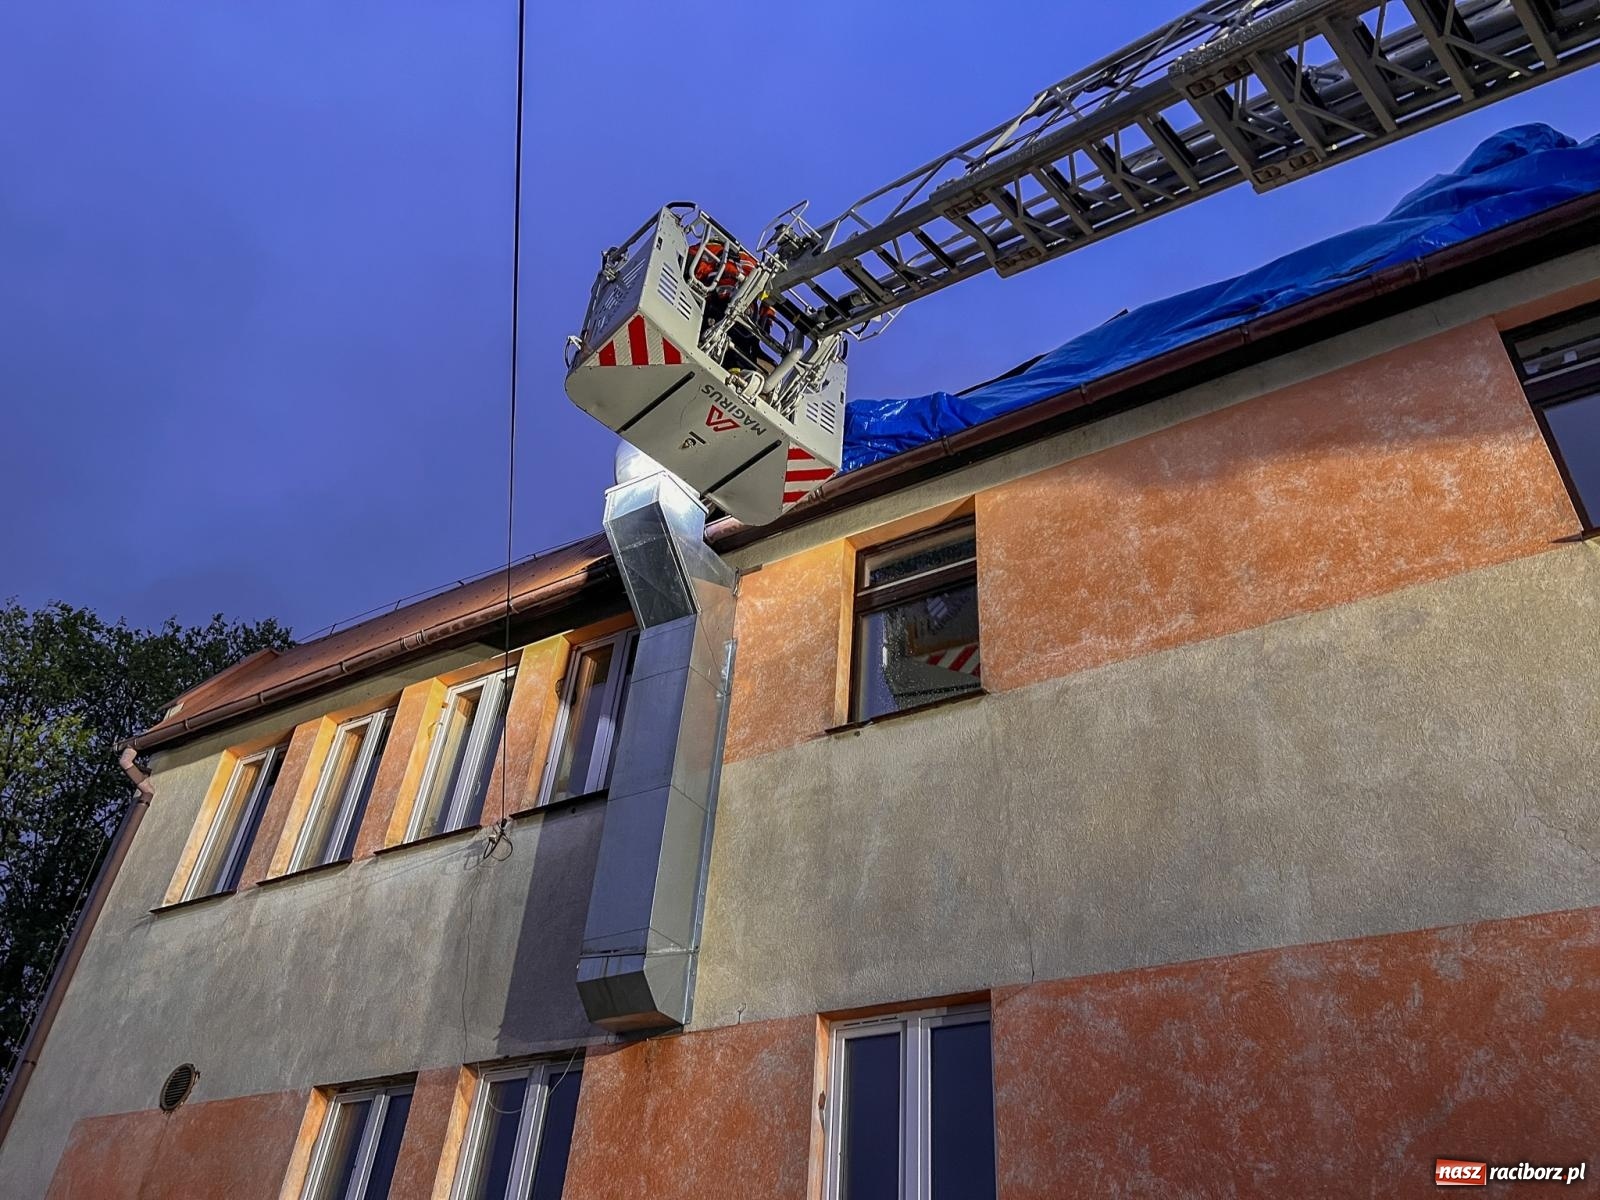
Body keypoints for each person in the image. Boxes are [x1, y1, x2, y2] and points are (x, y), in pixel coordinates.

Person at [689, 239, 776, 369]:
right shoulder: (753, 263)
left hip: (723, 306)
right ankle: (739, 370)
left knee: (740, 342)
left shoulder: (707, 248)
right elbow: (770, 298)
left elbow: (691, 269)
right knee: (742, 344)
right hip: (739, 312)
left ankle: (738, 368)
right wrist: (766, 322)